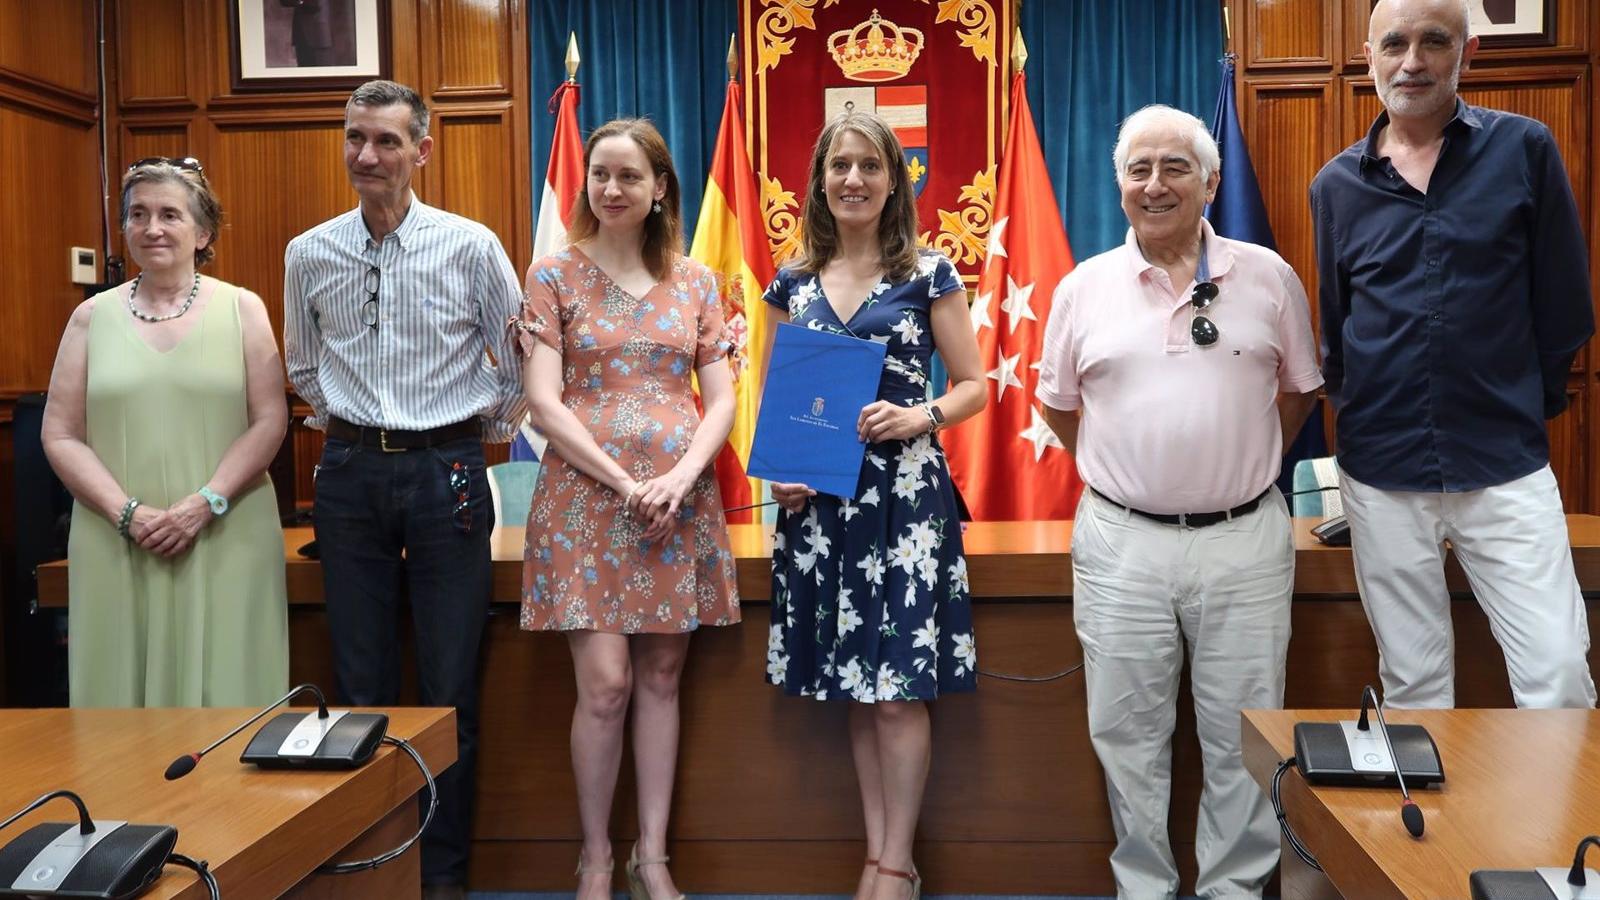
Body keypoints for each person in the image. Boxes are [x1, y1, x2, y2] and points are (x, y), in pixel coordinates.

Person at [1038, 105, 1322, 899]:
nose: (1155, 185)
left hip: (1245, 538)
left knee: (1244, 735)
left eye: (1175, 168)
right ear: (1119, 183)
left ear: (1211, 181)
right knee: (1127, 735)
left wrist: (1224, 466)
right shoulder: (1082, 288)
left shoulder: (1268, 276)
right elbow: (1060, 406)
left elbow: (1297, 393)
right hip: (1122, 540)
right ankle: (1146, 888)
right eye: (1139, 170)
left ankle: (1232, 890)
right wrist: (1142, 473)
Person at [1310, 0, 1596, 710]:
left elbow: (1563, 306)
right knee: (1414, 684)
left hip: (1504, 462)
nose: (1413, 61)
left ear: (1467, 54)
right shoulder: (1334, 187)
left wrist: (1517, 408)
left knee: (1558, 672)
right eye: (1395, 44)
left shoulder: (1524, 148)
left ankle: (1556, 830)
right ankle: (1438, 828)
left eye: (1434, 41)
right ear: (1368, 58)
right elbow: (1336, 328)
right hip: (1382, 472)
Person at [283, 79, 525, 900]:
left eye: (386, 140)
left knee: (450, 687)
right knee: (358, 687)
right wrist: (355, 426)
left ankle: (443, 879)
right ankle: (370, 872)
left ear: (422, 150)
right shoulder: (309, 250)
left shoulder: (470, 244)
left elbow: (523, 364)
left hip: (448, 473)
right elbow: (303, 368)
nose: (366, 155)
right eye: (355, 138)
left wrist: (461, 432)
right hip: (348, 476)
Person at [512, 117, 740, 900]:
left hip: (678, 501)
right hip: (585, 499)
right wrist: (624, 479)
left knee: (664, 676)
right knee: (605, 682)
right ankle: (597, 858)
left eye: (629, 177)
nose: (611, 189)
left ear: (659, 189)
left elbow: (721, 401)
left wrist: (679, 478)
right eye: (600, 175)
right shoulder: (552, 275)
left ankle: (653, 855)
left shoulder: (698, 281)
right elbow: (542, 402)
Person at [761, 110, 985, 900]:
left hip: (905, 509)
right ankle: (879, 856)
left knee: (898, 693)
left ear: (897, 181)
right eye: (839, 166)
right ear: (819, 181)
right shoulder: (789, 280)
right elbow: (781, 405)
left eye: (870, 166)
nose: (853, 179)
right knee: (857, 688)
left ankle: (896, 863)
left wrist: (917, 415)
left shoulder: (931, 273)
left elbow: (973, 388)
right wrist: (782, 475)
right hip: (821, 511)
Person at [43, 157, 289, 708]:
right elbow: (59, 433)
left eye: (170, 215)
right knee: (115, 703)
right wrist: (128, 514)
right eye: (138, 214)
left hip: (227, 532)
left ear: (203, 232)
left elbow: (271, 420)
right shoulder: (90, 318)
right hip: (115, 538)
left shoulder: (242, 308)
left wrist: (204, 504)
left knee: (229, 693)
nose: (152, 228)